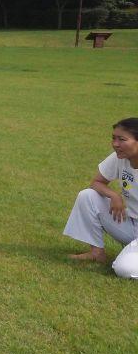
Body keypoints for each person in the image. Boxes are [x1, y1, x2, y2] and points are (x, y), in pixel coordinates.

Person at [63, 117, 138, 279]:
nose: (115, 144)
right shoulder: (120, 157)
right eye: (114, 138)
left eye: (122, 139)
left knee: (123, 269)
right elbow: (96, 183)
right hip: (131, 224)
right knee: (87, 196)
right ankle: (96, 253)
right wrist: (114, 195)